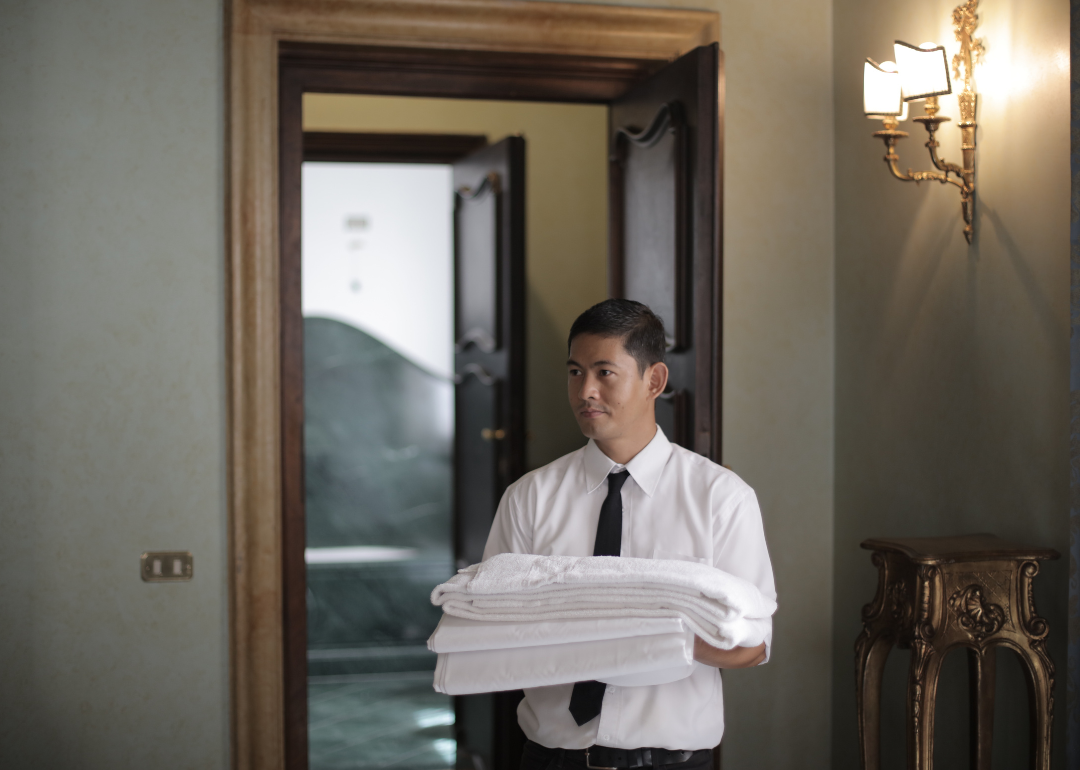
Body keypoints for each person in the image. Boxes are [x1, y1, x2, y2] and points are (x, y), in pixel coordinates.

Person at [482, 299, 776, 770]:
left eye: (604, 373)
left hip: (670, 761)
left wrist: (649, 639)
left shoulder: (720, 497)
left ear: (653, 381)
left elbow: (752, 644)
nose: (586, 391)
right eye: (575, 372)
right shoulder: (529, 497)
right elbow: (492, 624)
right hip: (550, 758)